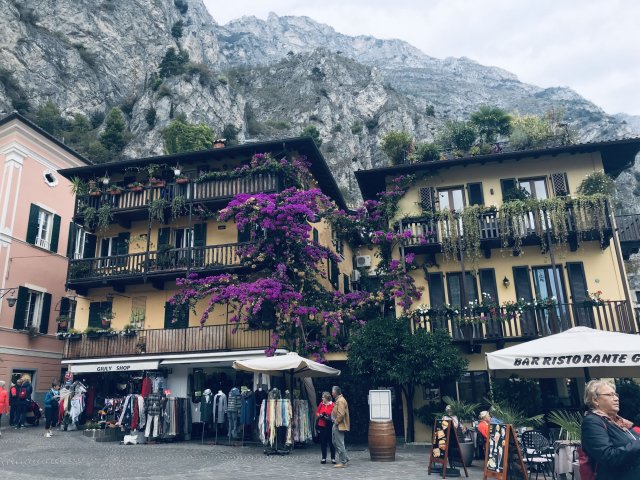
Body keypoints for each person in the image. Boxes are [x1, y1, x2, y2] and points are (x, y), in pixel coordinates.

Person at [581, 379, 640, 480]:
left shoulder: (618, 421)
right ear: (595, 400)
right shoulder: (592, 422)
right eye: (610, 395)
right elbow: (607, 456)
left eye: (615, 395)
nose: (616, 398)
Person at [331, 385, 350, 468]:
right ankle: (345, 458)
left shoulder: (341, 401)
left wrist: (336, 421)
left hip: (339, 425)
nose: (332, 393)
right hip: (337, 424)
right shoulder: (338, 400)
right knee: (335, 442)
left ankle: (343, 462)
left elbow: (341, 414)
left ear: (335, 392)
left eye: (332, 392)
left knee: (339, 443)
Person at [315, 391, 336, 464]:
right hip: (322, 425)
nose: (322, 398)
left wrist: (328, 416)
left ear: (327, 398)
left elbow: (334, 414)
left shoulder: (332, 404)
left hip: (329, 425)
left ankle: (333, 458)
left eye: (323, 397)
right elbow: (317, 412)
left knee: (331, 442)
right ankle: (324, 458)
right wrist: (320, 415)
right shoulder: (321, 404)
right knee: (323, 441)